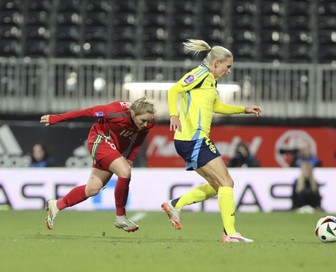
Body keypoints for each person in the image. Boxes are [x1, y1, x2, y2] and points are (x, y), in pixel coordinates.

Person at [161, 39, 262, 243]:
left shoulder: (210, 81)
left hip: (190, 141)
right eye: (228, 66)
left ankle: (175, 204)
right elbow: (174, 90)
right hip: (194, 139)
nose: (229, 71)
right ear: (216, 63)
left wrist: (244, 109)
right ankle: (230, 232)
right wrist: (173, 115)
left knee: (218, 186)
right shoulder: (200, 74)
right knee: (227, 182)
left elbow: (218, 106)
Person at [41, 97, 156, 233]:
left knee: (93, 189)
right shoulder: (115, 112)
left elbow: (139, 140)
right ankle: (121, 217)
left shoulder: (148, 122)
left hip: (113, 147)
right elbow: (86, 112)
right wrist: (56, 118)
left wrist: (130, 158)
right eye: (143, 121)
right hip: (100, 139)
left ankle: (57, 205)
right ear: (132, 113)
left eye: (149, 121)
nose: (146, 124)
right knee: (125, 172)